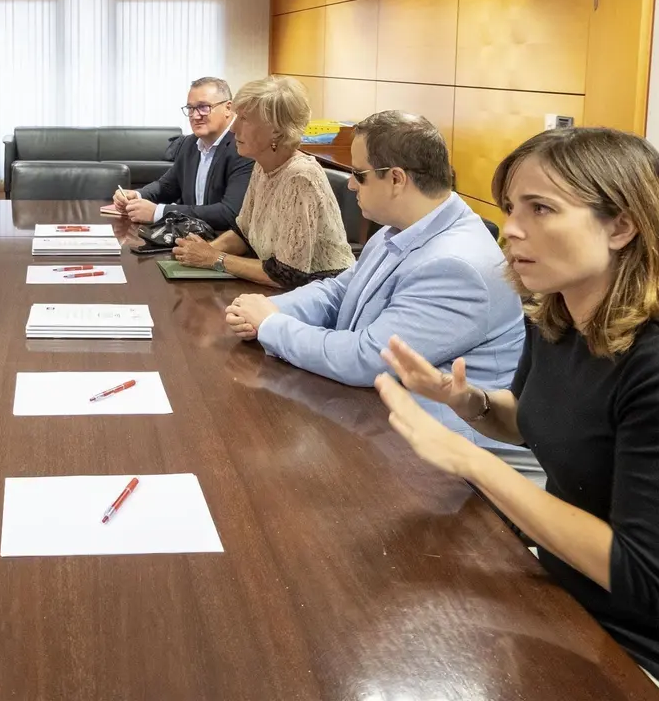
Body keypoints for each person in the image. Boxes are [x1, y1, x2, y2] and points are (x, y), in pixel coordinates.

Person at [373, 127, 659, 677]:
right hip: (564, 591)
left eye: (542, 209)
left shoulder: (650, 362)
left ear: (621, 225)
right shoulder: (557, 320)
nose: (511, 229)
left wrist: (469, 459)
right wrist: (469, 402)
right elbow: (534, 426)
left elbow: (639, 574)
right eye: (509, 208)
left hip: (633, 645)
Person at [224, 111, 528, 460]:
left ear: (397, 179)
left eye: (358, 174)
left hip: (447, 459)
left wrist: (271, 325)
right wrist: (271, 309)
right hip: (380, 420)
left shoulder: (455, 266)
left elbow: (366, 358)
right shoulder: (397, 228)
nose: (350, 184)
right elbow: (339, 291)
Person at [170, 76, 354, 289]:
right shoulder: (262, 164)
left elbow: (287, 274)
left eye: (245, 119)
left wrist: (215, 258)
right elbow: (244, 233)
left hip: (325, 294)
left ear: (276, 129)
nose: (233, 128)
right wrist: (202, 250)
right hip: (279, 288)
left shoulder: (300, 177)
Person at [111, 77, 253, 231]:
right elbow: (167, 186)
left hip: (224, 245)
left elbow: (229, 214)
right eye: (190, 108)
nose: (195, 116)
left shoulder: (243, 147)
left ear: (228, 108)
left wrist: (158, 212)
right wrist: (137, 196)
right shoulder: (189, 144)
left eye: (203, 107)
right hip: (189, 238)